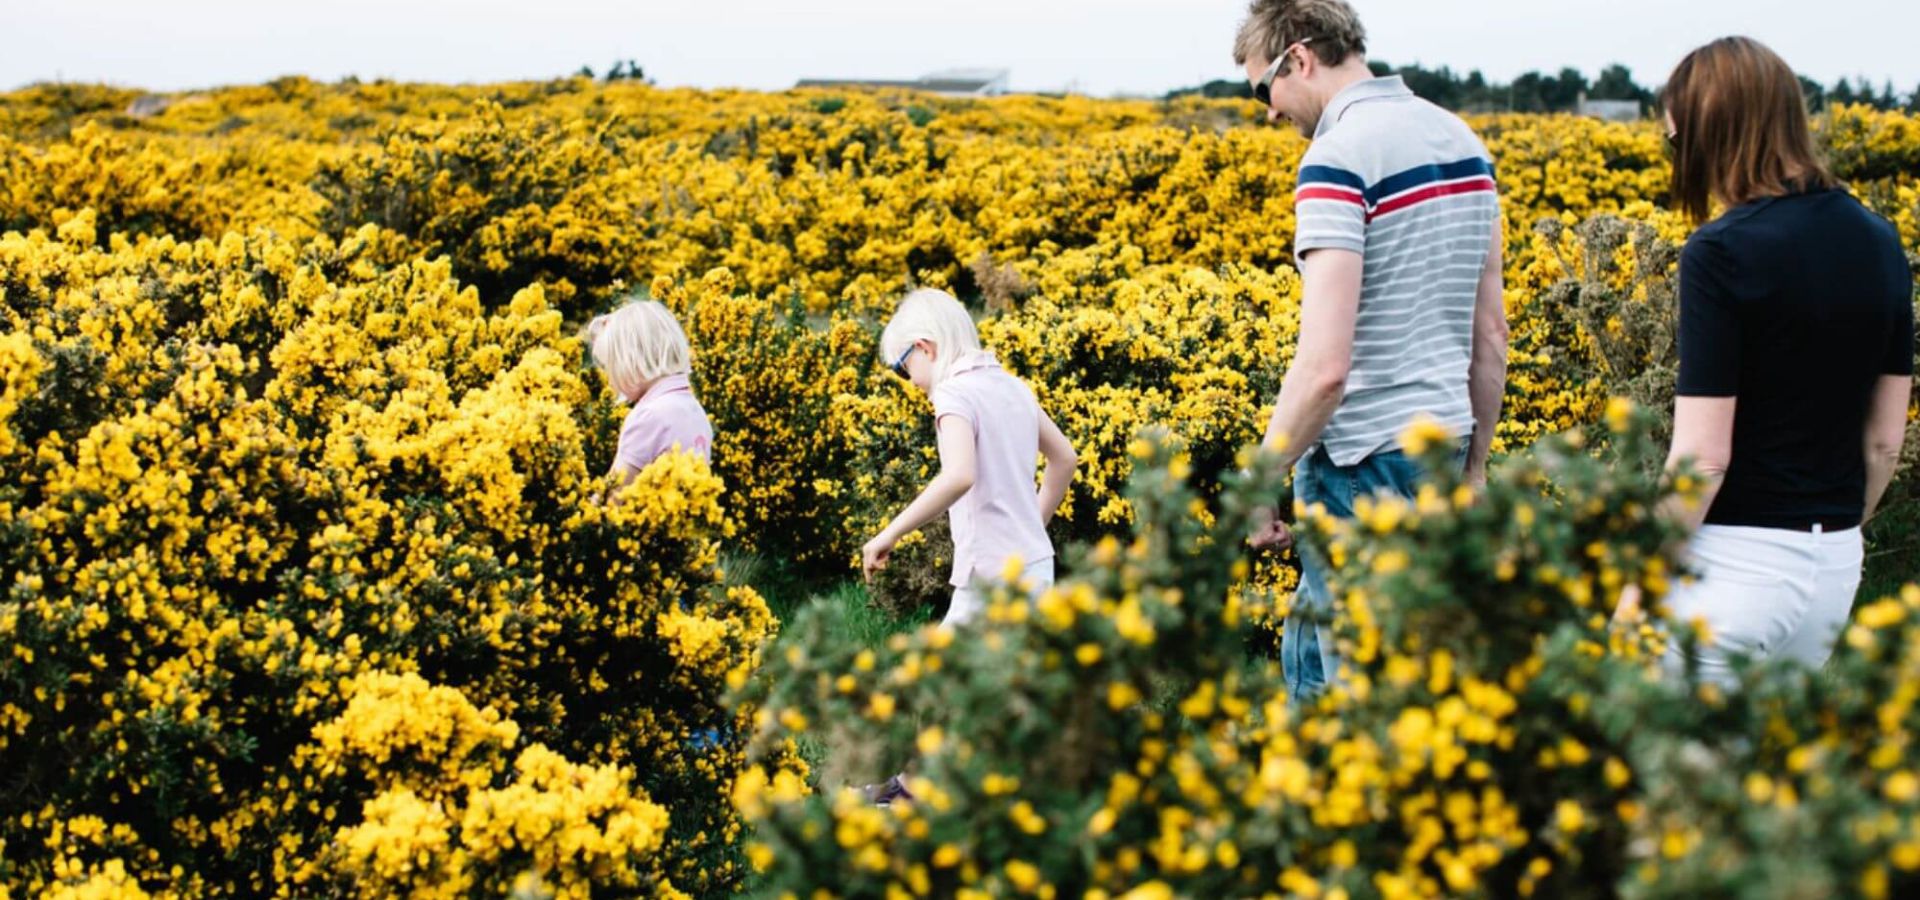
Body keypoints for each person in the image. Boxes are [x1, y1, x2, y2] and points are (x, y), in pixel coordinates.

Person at [1232, 0, 1510, 700]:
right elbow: (1490, 337)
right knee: (1372, 675)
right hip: (1442, 447)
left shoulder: (1337, 157)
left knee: (1358, 711)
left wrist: (1261, 477)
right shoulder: (1462, 141)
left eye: (1262, 89)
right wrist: (1474, 469)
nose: (1267, 111)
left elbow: (1326, 368)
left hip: (1360, 463)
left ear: (1298, 58)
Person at [1624, 36, 1913, 685]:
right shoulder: (1880, 240)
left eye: (1677, 143)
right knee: (1760, 779)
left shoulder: (1720, 252)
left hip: (1731, 572)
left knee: (1649, 774)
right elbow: (1884, 443)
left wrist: (1634, 594)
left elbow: (1703, 457)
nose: (1679, 159)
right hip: (1834, 569)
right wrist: (1820, 537)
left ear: (1711, 134)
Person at [861, 288, 1078, 627]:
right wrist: (1032, 526)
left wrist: (889, 533)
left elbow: (960, 476)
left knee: (941, 674)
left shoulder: (952, 394)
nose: (910, 381)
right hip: (1036, 564)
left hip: (990, 576)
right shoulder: (1013, 386)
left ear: (924, 347)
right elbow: (1064, 458)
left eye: (903, 369)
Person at [585, 299, 714, 496]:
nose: (609, 380)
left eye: (610, 366)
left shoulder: (648, 417)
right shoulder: (695, 410)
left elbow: (613, 498)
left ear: (630, 360)